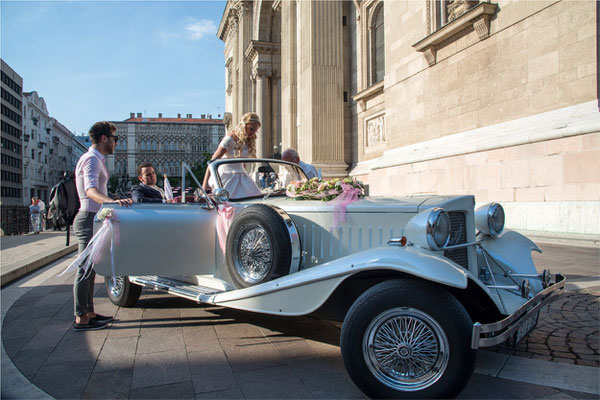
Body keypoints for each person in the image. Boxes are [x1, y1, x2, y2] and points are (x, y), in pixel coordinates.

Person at [73, 121, 132, 331]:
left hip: (92, 215)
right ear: (104, 138)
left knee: (90, 269)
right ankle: (81, 317)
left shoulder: (95, 159)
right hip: (88, 216)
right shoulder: (91, 159)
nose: (117, 143)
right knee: (85, 269)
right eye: (115, 139)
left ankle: (88, 313)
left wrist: (110, 199)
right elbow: (90, 190)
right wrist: (111, 202)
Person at [202, 112, 262, 199]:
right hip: (227, 176)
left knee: (253, 199)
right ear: (244, 125)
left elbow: (242, 163)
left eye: (255, 130)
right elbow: (212, 162)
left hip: (242, 176)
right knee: (230, 200)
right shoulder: (229, 139)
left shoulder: (248, 141)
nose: (253, 133)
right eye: (251, 129)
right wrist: (205, 184)